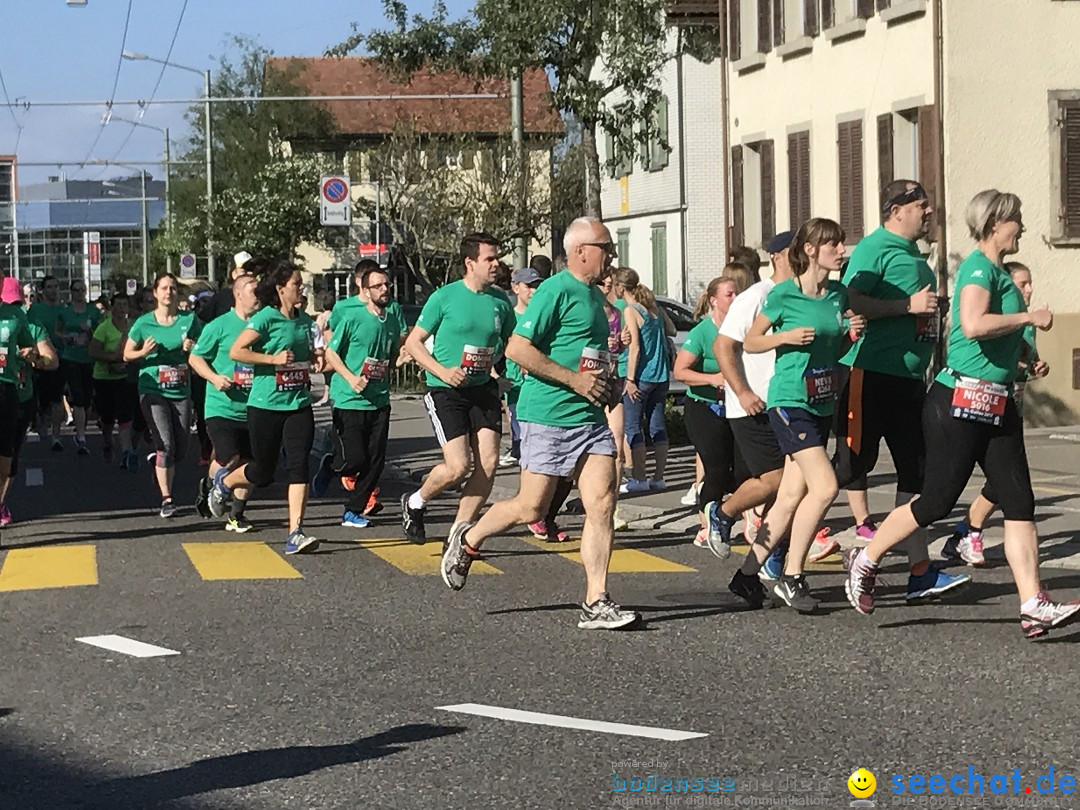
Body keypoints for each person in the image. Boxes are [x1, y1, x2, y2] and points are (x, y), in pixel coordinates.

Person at [844, 190, 1080, 638]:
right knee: (936, 500)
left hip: (997, 401)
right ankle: (867, 557)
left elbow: (994, 336)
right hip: (958, 402)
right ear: (995, 224)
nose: (1022, 228)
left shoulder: (996, 272)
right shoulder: (977, 267)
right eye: (1016, 220)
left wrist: (1024, 354)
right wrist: (1030, 316)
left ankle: (1033, 604)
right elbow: (972, 324)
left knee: (1019, 501)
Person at [439, 216, 639, 630]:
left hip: (588, 417)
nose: (613, 255)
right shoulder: (555, 290)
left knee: (602, 501)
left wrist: (610, 382)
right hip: (546, 415)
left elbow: (587, 356)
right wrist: (574, 380)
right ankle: (469, 539)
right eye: (607, 246)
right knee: (531, 506)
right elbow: (516, 349)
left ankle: (596, 600)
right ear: (582, 250)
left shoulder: (596, 300)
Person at [833, 179, 969, 603]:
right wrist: (905, 308)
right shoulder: (875, 247)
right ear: (897, 210)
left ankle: (920, 571)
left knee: (916, 473)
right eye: (922, 206)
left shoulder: (913, 254)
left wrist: (929, 313)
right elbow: (850, 301)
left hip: (909, 378)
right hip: (870, 373)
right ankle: (780, 546)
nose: (929, 213)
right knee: (848, 468)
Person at [740, 218, 866, 614]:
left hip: (821, 402)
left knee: (791, 496)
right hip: (789, 399)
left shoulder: (838, 295)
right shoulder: (782, 296)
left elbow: (836, 334)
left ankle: (746, 575)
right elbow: (751, 341)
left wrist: (850, 328)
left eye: (841, 245)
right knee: (825, 487)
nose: (841, 251)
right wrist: (785, 337)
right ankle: (792, 575)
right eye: (834, 245)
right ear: (811, 250)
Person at [400, 233, 514, 544]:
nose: (496, 264)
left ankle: (459, 534)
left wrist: (494, 366)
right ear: (470, 262)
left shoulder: (500, 301)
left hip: (482, 389)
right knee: (458, 466)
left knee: (488, 464)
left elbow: (509, 341)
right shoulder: (444, 297)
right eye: (489, 258)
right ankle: (415, 502)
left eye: (497, 257)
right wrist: (442, 371)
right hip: (445, 390)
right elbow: (413, 342)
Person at [209, 260, 322, 554]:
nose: (301, 288)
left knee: (299, 466)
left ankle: (295, 532)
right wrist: (272, 360)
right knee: (263, 471)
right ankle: (224, 483)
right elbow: (237, 351)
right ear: (281, 289)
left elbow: (313, 351)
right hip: (265, 405)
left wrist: (316, 360)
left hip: (297, 402)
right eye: (297, 284)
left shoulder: (305, 320)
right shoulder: (266, 318)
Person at [943, 262, 1048, 566]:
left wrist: (1037, 367)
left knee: (1007, 483)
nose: (1028, 290)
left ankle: (966, 531)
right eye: (1022, 284)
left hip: (1011, 407)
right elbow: (993, 357)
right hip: (981, 406)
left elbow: (1025, 360)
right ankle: (966, 530)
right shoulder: (1002, 317)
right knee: (946, 492)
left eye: (1030, 284)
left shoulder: (1026, 324)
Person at [713, 232, 796, 579]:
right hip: (753, 404)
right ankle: (724, 512)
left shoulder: (801, 297)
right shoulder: (756, 297)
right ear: (777, 257)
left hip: (790, 403)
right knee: (776, 480)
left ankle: (774, 555)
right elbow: (723, 347)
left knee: (795, 486)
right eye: (797, 252)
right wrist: (743, 392)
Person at [312, 266, 400, 528]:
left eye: (387, 285)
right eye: (378, 286)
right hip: (349, 398)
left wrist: (399, 359)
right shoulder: (351, 317)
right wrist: (351, 378)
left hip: (379, 399)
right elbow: (331, 353)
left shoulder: (392, 319)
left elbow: (390, 357)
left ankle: (353, 510)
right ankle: (331, 466)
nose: (384, 290)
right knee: (355, 459)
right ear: (365, 290)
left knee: (376, 461)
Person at [189, 274, 259, 532]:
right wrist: (215, 378)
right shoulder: (219, 326)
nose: (258, 295)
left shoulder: (264, 325)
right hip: (222, 406)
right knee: (230, 456)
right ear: (238, 294)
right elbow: (196, 359)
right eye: (253, 290)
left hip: (255, 405)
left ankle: (236, 515)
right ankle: (211, 486)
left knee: (251, 463)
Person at [124, 273, 196, 518]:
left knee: (181, 446)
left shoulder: (189, 320)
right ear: (155, 293)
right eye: (164, 288)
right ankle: (167, 498)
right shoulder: (144, 323)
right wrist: (143, 351)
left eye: (173, 288)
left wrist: (193, 347)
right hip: (153, 388)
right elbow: (126, 354)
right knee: (165, 444)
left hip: (180, 390)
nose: (169, 293)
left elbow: (207, 344)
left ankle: (158, 460)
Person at [674, 277, 739, 547]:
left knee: (744, 471)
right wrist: (713, 379)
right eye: (729, 294)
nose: (735, 299)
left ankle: (733, 517)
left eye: (737, 293)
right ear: (714, 300)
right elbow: (680, 371)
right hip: (703, 407)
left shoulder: (741, 329)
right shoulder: (702, 332)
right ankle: (706, 524)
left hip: (735, 408)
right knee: (716, 469)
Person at [1, 278, 56, 527]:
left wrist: (34, 356)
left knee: (7, 460)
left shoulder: (25, 322)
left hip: (17, 396)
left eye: (19, 301)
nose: (19, 305)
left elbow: (50, 360)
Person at [615, 267, 675, 492]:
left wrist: (629, 379)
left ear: (621, 288)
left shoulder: (631, 310)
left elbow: (635, 348)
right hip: (661, 375)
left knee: (633, 426)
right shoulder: (654, 308)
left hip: (642, 376)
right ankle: (658, 476)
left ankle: (639, 478)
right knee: (657, 425)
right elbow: (671, 329)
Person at [56, 277, 103, 455]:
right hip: (71, 357)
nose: (79, 293)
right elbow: (57, 331)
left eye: (82, 290)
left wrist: (89, 331)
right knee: (78, 395)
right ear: (71, 292)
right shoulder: (65, 312)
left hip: (89, 358)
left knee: (88, 397)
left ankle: (81, 426)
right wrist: (66, 337)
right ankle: (81, 436)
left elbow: (100, 334)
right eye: (76, 290)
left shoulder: (93, 312)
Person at [88, 293, 135, 467]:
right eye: (118, 305)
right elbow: (93, 351)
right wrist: (113, 358)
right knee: (107, 416)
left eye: (125, 305)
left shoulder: (132, 328)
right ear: (112, 308)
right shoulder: (104, 328)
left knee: (124, 414)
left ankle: (126, 451)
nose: (121, 308)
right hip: (103, 378)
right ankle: (107, 441)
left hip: (124, 378)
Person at [27, 275, 66, 449]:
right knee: (41, 398)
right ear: (43, 291)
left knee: (57, 398)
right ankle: (41, 416)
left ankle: (56, 436)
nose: (53, 290)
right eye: (50, 287)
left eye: (56, 286)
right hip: (40, 361)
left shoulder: (64, 310)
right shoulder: (35, 310)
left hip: (61, 358)